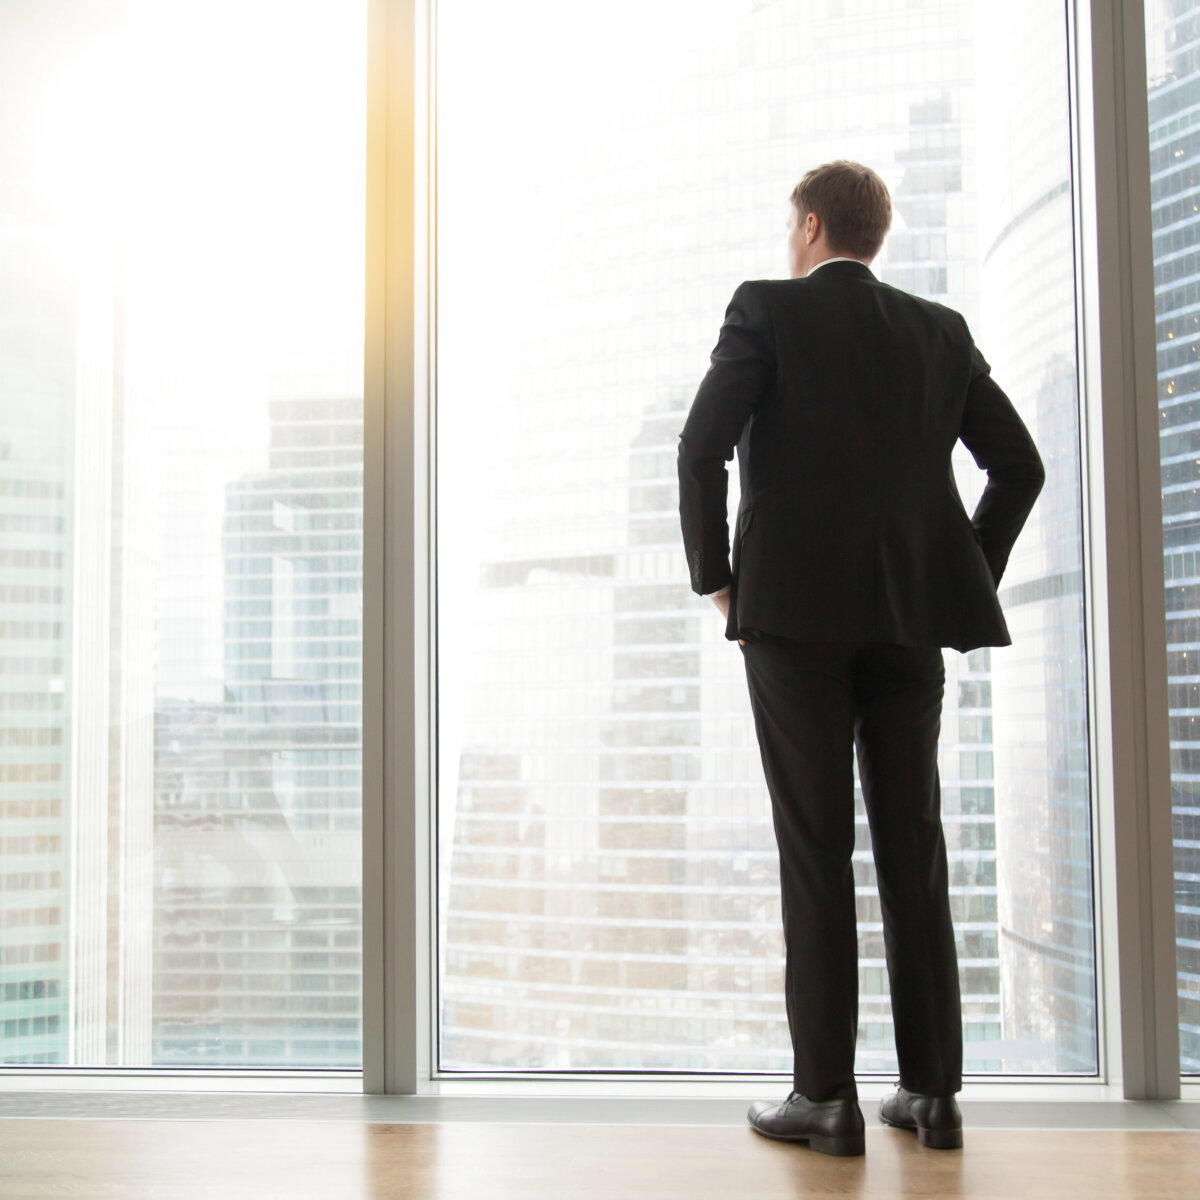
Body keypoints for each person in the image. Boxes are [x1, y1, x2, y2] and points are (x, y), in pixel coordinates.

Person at [676, 160, 1045, 1157]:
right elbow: (1021, 467)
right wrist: (954, 570)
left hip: (793, 619)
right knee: (911, 848)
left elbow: (701, 446)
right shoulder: (938, 331)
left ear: (807, 227)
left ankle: (826, 1098)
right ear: (872, 237)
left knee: (816, 848)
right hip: (906, 626)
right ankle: (932, 1095)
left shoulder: (766, 311)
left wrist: (719, 576)